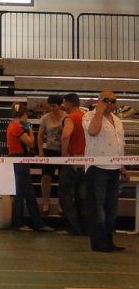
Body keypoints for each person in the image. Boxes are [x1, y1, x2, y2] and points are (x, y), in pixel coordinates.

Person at [82, 91, 128, 252]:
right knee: (98, 208)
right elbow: (93, 132)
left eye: (113, 101)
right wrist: (99, 111)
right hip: (97, 168)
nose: (110, 103)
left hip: (114, 169)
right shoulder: (89, 116)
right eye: (106, 100)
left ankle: (108, 240)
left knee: (111, 209)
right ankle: (98, 243)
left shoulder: (117, 120)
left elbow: (120, 144)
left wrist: (122, 166)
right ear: (99, 100)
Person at [6, 103, 53, 232]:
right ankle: (19, 223)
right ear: (24, 114)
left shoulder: (12, 126)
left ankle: (37, 222)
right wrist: (31, 130)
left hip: (19, 162)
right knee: (20, 194)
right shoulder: (16, 127)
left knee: (28, 193)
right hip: (19, 162)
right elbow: (31, 143)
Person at [58, 93, 87, 235]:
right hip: (86, 160)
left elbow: (65, 136)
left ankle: (74, 226)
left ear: (69, 103)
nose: (64, 106)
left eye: (64, 103)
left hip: (73, 159)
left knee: (64, 194)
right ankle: (84, 226)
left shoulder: (71, 118)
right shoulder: (86, 117)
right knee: (82, 195)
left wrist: (64, 156)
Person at [36, 95, 66, 215]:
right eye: (50, 106)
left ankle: (61, 204)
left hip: (63, 149)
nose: (52, 108)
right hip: (49, 150)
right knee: (46, 177)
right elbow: (40, 135)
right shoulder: (45, 118)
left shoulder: (65, 117)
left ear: (60, 106)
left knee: (63, 179)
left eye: (54, 106)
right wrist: (41, 151)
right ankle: (45, 202)